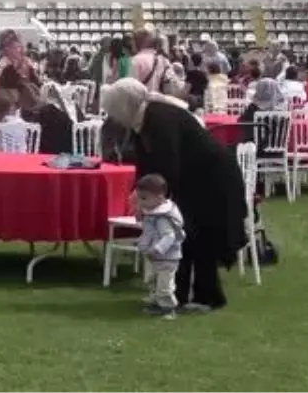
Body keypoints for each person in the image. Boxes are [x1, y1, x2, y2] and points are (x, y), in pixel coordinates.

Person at [101, 78, 247, 312]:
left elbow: (167, 165)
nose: (114, 118)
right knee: (182, 236)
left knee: (199, 236)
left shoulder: (159, 119)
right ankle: (175, 293)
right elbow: (146, 163)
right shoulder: (142, 121)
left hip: (212, 178)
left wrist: (151, 201)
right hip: (191, 177)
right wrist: (139, 194)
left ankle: (206, 296)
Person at [134, 173, 186, 320]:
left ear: (160, 197)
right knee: (153, 279)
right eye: (140, 198)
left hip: (168, 257)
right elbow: (148, 231)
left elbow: (169, 236)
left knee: (164, 284)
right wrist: (144, 244)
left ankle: (168, 308)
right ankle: (156, 302)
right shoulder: (152, 213)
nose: (141, 202)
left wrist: (157, 249)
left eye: (144, 198)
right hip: (154, 256)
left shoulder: (164, 217)